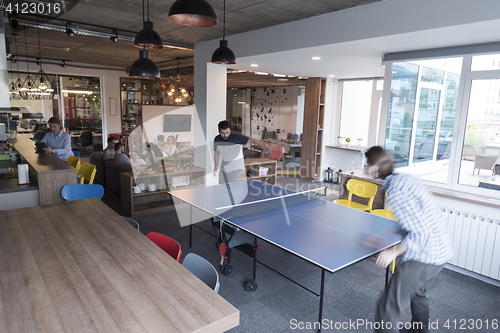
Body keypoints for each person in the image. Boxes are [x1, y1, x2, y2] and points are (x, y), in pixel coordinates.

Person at [364, 146, 453, 333]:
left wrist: (392, 252)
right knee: (419, 294)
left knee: (387, 308)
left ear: (378, 166)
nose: (365, 169)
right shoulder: (403, 179)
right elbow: (414, 221)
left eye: (368, 164)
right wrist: (386, 235)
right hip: (440, 250)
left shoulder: (396, 191)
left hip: (424, 255)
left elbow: (420, 233)